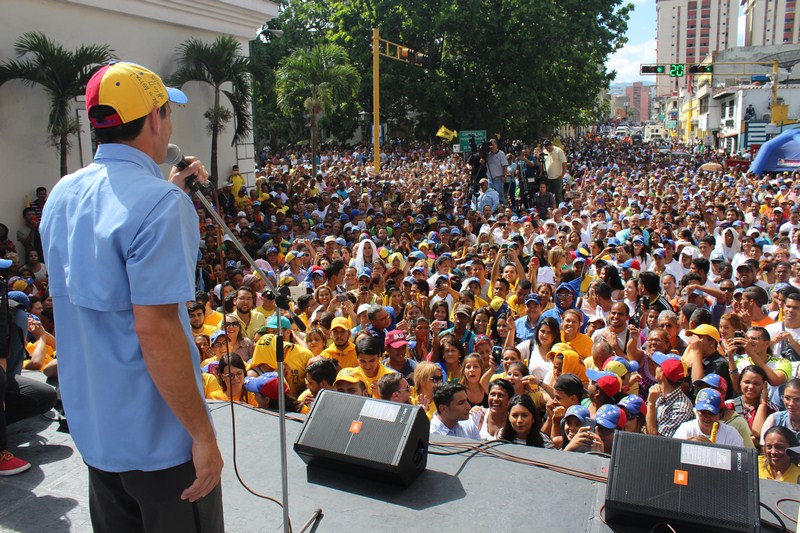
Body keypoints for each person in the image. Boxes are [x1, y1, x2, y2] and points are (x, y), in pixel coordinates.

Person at [39, 62, 223, 530]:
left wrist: (168, 191)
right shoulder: (162, 206)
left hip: (98, 434)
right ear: (156, 119)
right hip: (160, 443)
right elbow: (155, 329)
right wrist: (201, 435)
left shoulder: (62, 194)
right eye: (167, 111)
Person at [673, 388, 744, 446]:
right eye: (703, 412)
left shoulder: (731, 434)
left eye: (711, 413)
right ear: (697, 411)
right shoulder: (686, 429)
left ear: (720, 413)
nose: (707, 416)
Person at [542, 139, 567, 204]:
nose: (548, 150)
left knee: (558, 195)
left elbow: (564, 163)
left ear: (552, 145)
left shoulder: (558, 151)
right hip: (548, 177)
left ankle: (559, 208)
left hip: (557, 177)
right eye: (546, 148)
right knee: (549, 195)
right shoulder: (544, 152)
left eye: (549, 148)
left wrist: (562, 175)